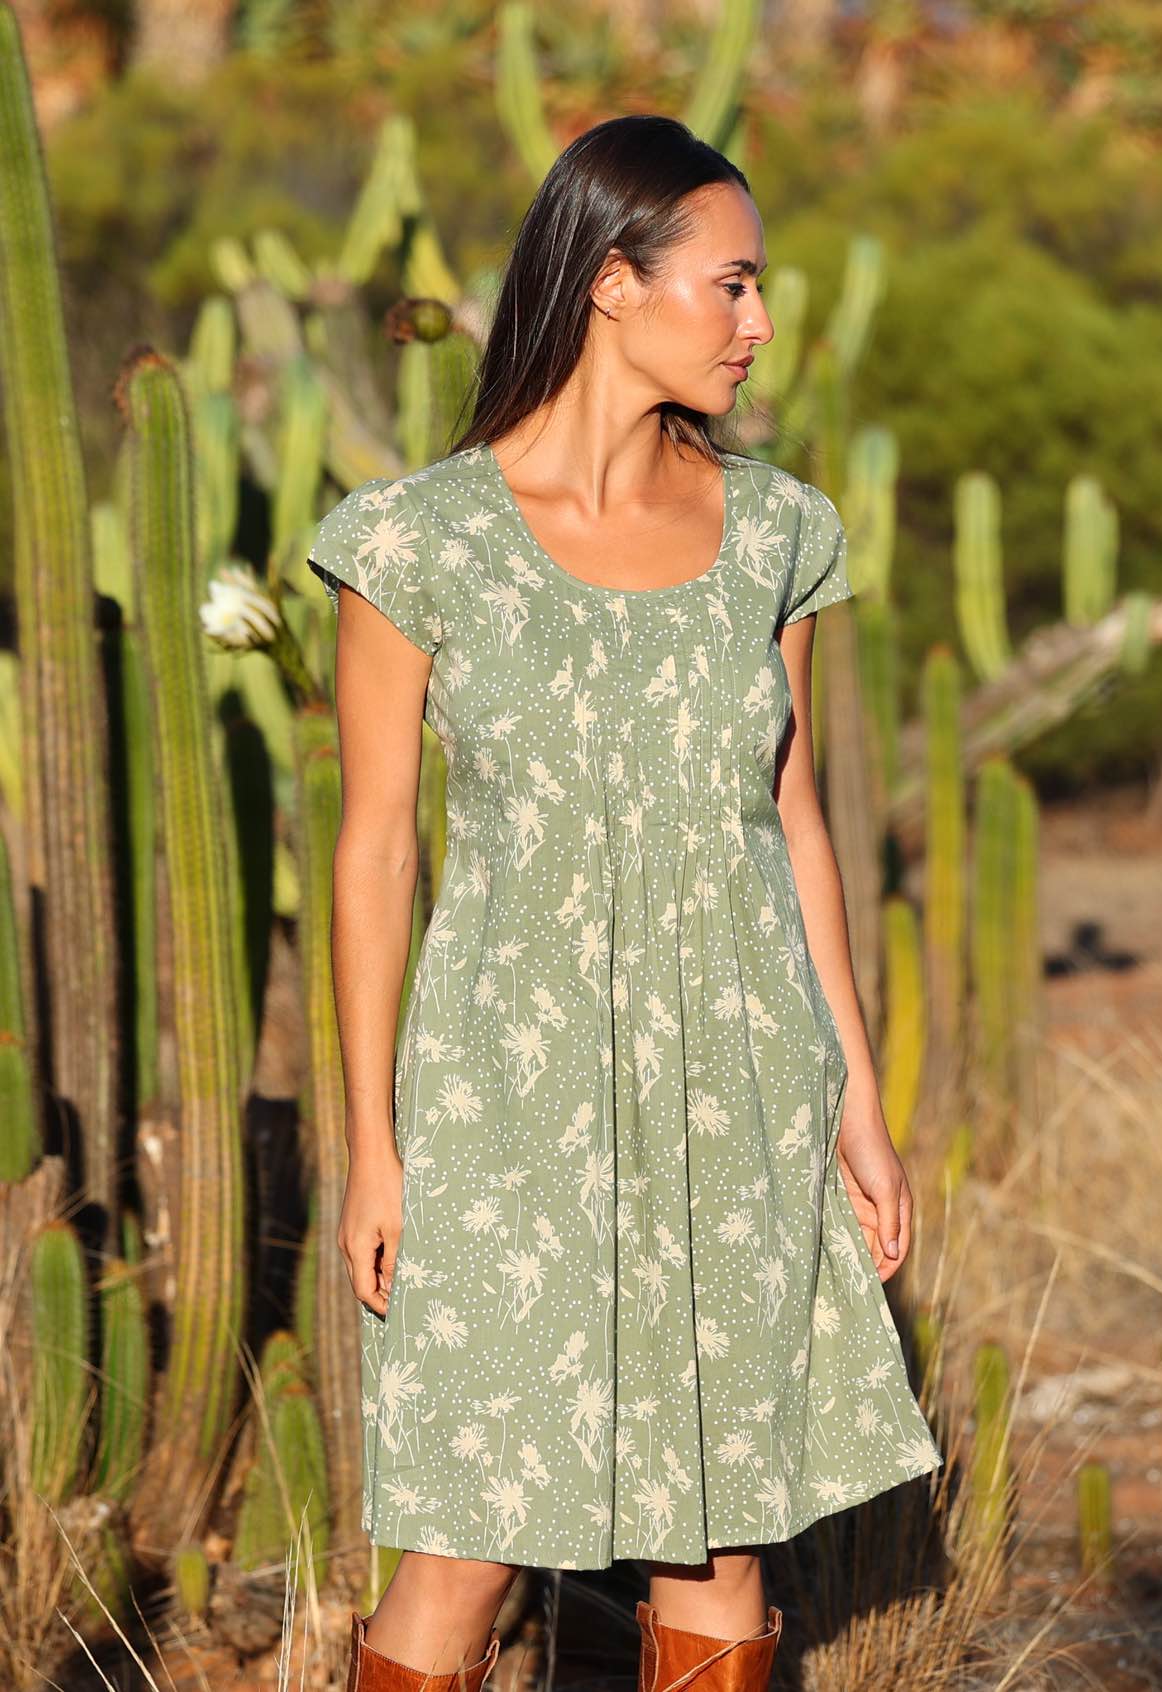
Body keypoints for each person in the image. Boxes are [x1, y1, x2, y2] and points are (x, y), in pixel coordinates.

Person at [308, 113, 943, 1692]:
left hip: (733, 1085)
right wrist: (374, 1146)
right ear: (611, 283)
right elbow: (375, 851)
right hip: (505, 1098)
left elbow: (795, 827)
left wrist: (858, 1106)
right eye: (730, 286)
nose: (759, 324)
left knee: (719, 1550)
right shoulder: (417, 540)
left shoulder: (777, 536)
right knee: (460, 1551)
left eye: (763, 290)